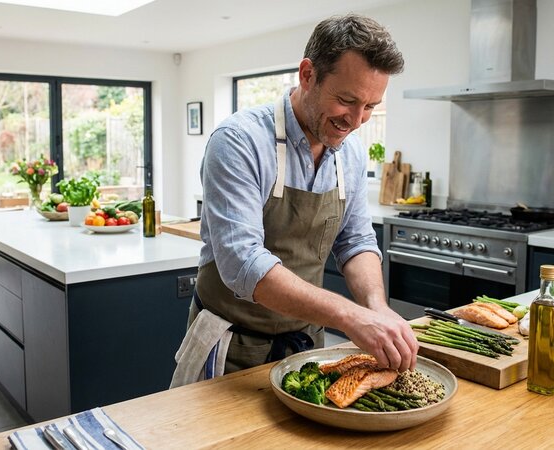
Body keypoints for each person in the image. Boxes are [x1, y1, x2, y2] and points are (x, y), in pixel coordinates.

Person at [175, 13, 418, 382]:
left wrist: (376, 308)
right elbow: (244, 262)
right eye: (347, 100)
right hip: (229, 347)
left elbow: (356, 241)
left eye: (369, 107)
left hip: (305, 346)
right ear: (308, 75)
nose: (356, 121)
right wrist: (351, 316)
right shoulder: (239, 141)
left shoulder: (349, 152)